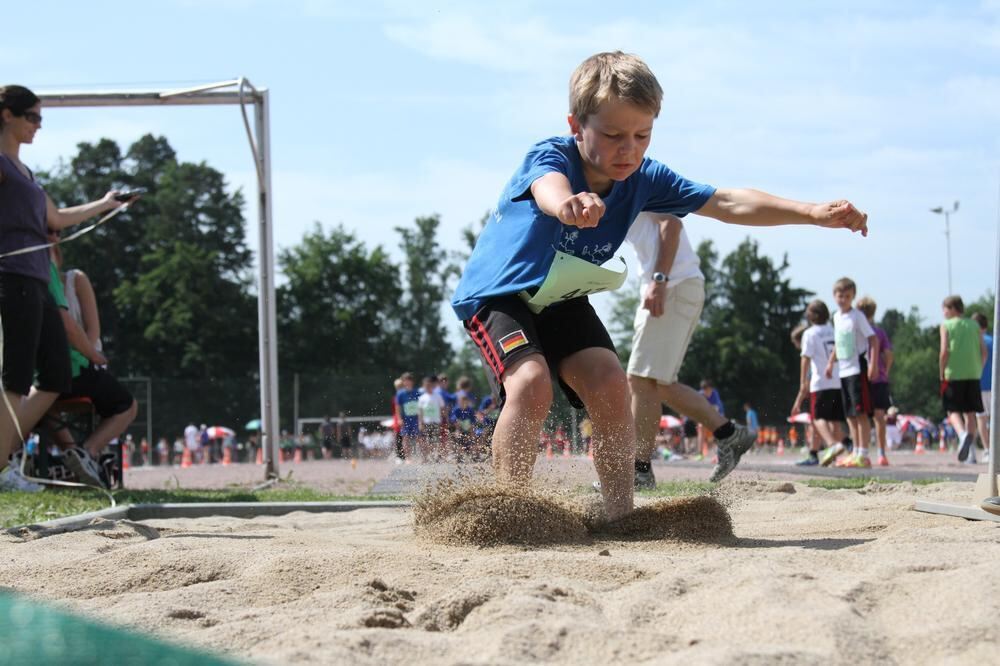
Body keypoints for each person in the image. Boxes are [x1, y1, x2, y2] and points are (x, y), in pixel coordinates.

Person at [451, 52, 868, 519]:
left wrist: (811, 213)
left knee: (612, 383)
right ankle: (509, 513)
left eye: (641, 135)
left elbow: (727, 202)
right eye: (612, 135)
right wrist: (568, 204)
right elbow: (548, 188)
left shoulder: (645, 178)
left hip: (561, 298)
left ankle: (621, 514)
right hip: (498, 294)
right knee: (530, 383)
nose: (628, 149)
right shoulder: (551, 156)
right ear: (576, 125)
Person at [0, 84, 136, 492]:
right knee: (15, 379)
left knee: (56, 374)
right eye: (33, 117)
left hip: (37, 280)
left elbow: (56, 219)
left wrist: (107, 203)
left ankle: (4, 458)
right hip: (11, 277)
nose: (39, 126)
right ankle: (3, 467)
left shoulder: (25, 172)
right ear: (7, 114)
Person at [623, 213, 757, 488]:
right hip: (673, 285)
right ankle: (729, 433)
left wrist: (659, 280)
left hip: (671, 285)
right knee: (656, 383)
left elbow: (671, 223)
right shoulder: (610, 186)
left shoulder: (634, 176)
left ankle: (638, 472)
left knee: (640, 379)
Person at [44, 237, 137, 486]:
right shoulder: (39, 278)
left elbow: (91, 332)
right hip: (58, 368)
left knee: (42, 397)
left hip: (77, 362)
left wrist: (89, 354)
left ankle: (81, 454)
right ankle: (78, 455)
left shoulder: (73, 280)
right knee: (43, 401)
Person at [824, 278, 878, 468]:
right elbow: (839, 343)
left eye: (847, 296)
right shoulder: (837, 317)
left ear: (852, 297)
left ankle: (863, 453)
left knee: (860, 412)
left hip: (857, 369)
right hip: (843, 371)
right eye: (840, 296)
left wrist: (873, 364)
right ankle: (855, 451)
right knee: (850, 415)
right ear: (834, 296)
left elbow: (873, 339)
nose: (843, 299)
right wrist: (831, 363)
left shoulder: (857, 316)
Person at [792, 300, 848, 466]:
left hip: (821, 381)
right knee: (834, 419)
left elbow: (805, 359)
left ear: (811, 316)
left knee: (817, 418)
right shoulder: (833, 330)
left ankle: (833, 445)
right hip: (837, 380)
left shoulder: (810, 334)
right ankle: (814, 454)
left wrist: (802, 382)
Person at [939, 295, 986, 463]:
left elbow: (945, 351)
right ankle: (971, 453)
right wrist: (979, 368)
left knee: (952, 410)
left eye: (944, 309)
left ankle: (962, 434)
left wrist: (941, 371)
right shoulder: (974, 325)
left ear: (952, 308)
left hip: (954, 373)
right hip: (973, 373)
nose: (943, 313)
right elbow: (984, 351)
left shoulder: (946, 325)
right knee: (970, 412)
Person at [856, 296, 893, 466]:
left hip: (861, 376)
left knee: (860, 416)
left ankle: (860, 450)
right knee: (879, 417)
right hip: (880, 378)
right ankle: (881, 453)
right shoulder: (880, 332)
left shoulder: (859, 330)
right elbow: (888, 354)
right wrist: (885, 369)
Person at [973, 312, 992, 454]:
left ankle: (987, 450)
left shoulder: (975, 342)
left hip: (980, 385)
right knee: (994, 419)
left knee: (981, 419)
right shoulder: (994, 340)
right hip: (995, 386)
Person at [417, 375, 446, 461]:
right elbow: (420, 412)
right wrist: (420, 422)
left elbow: (442, 408)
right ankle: (426, 457)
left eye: (430, 385)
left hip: (436, 421)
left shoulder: (437, 396)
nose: (428, 387)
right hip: (426, 422)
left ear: (432, 386)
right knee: (426, 440)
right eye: (426, 385)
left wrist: (443, 418)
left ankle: (434, 455)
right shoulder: (422, 398)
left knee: (435, 439)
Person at [394, 373, 421, 462]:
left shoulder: (417, 392)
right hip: (405, 419)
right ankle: (408, 458)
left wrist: (421, 419)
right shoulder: (400, 394)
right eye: (405, 381)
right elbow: (397, 407)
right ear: (403, 382)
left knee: (419, 437)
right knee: (405, 438)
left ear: (412, 382)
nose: (407, 383)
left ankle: (421, 457)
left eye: (409, 380)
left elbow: (421, 406)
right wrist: (399, 419)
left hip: (416, 418)